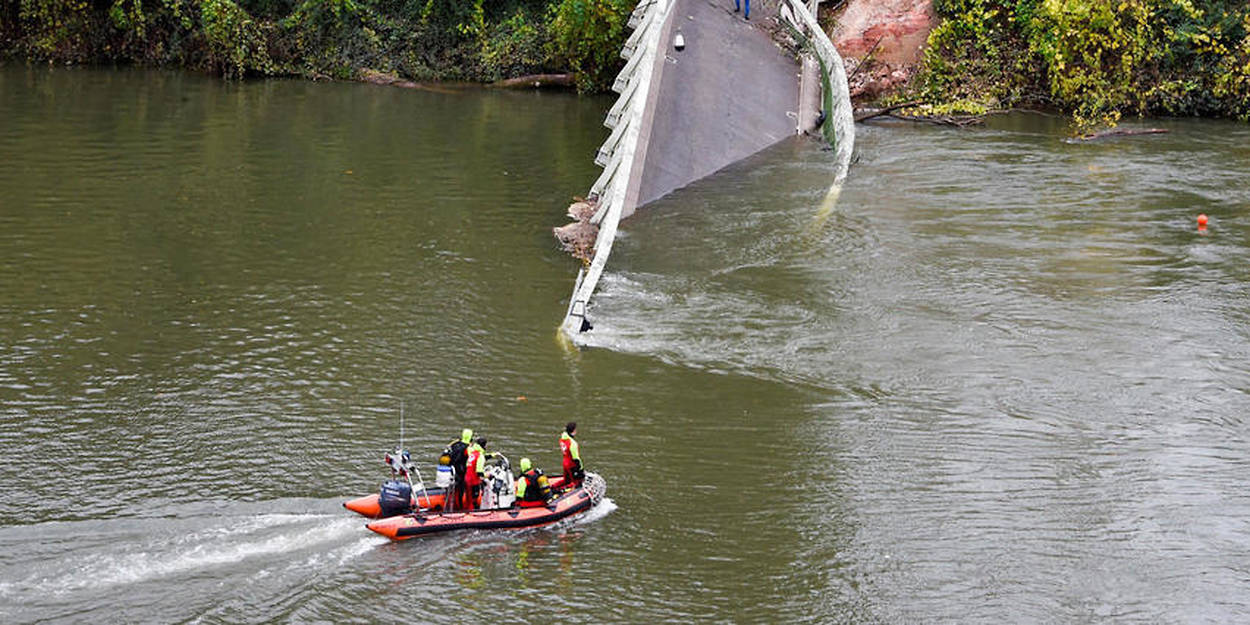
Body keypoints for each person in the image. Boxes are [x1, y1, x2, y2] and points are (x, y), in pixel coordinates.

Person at [444, 428, 472, 511]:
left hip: (451, 470)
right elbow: (471, 459)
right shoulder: (467, 448)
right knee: (460, 491)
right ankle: (459, 508)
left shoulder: (455, 444)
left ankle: (451, 504)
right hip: (461, 471)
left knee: (452, 490)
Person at [464, 436, 487, 510]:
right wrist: (488, 476)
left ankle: (467, 508)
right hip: (474, 481)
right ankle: (473, 510)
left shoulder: (472, 452)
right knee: (474, 498)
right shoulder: (480, 456)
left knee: (468, 497)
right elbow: (479, 472)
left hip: (467, 478)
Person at [559, 421, 584, 489]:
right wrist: (579, 469)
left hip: (565, 462)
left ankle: (552, 487)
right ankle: (562, 490)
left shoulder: (562, 439)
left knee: (566, 480)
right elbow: (575, 457)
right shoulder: (572, 443)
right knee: (575, 483)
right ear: (574, 430)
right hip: (571, 465)